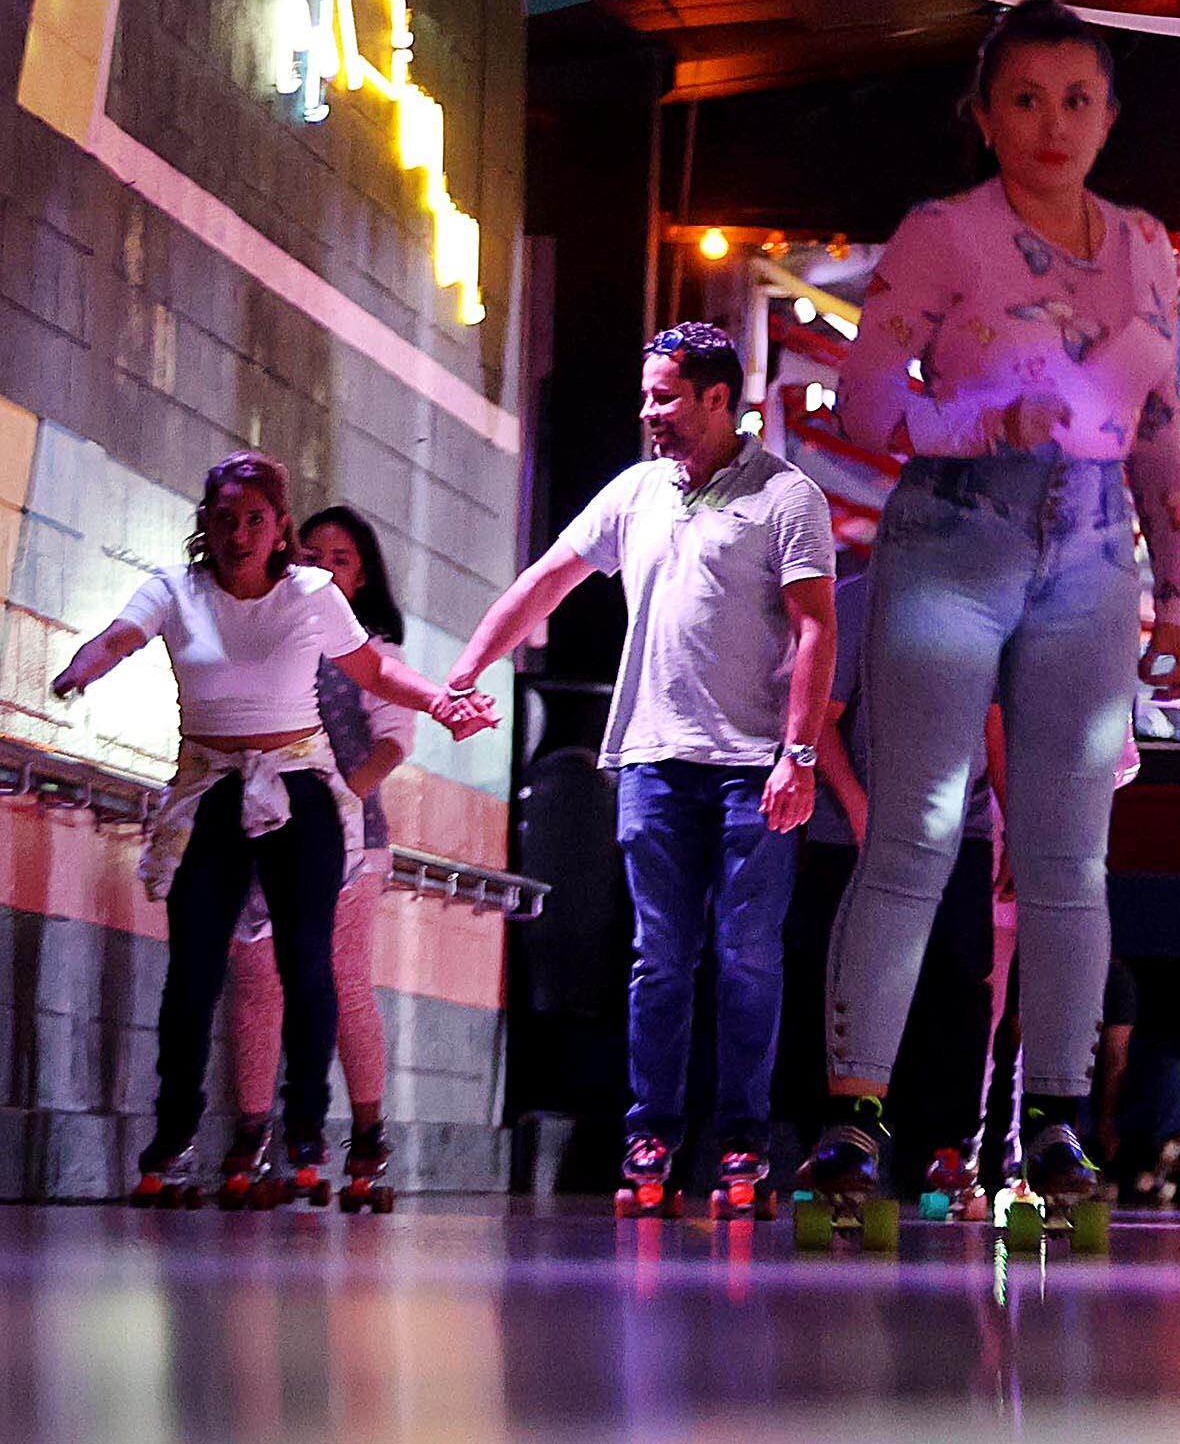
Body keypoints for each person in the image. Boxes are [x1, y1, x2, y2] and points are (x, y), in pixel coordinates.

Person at [807, 0, 1180, 1225]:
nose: (1051, 123)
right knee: (917, 834)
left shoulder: (1145, 243)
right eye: (1025, 98)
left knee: (1069, 860)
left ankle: (1058, 1128)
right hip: (951, 541)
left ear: (1109, 116)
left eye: (1076, 99)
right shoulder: (945, 234)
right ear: (982, 113)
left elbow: (1160, 424)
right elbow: (863, 402)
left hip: (1092, 561)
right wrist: (975, 420)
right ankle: (855, 1125)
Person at [447, 323, 838, 1214]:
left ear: (717, 399)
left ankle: (742, 1141)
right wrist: (469, 666)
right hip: (656, 759)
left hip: (753, 768)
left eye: (665, 395)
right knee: (659, 959)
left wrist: (799, 754)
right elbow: (548, 579)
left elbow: (817, 627)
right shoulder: (636, 491)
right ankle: (650, 1132)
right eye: (646, 393)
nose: (648, 412)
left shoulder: (786, 496)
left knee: (746, 958)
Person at [51, 453, 493, 1205]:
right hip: (212, 792)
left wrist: (445, 702)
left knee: (307, 965)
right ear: (206, 522)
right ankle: (175, 1134)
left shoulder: (312, 593)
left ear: (280, 526)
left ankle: (305, 1131)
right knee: (193, 972)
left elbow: (375, 672)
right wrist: (83, 665)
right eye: (224, 518)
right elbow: (121, 635)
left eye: (255, 518)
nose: (238, 533)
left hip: (298, 790)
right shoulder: (175, 589)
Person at [778, 557, 1003, 1211]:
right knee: (840, 979)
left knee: (956, 983)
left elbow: (992, 722)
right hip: (854, 832)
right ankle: (836, 1136)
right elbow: (821, 715)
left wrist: (1014, 825)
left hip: (957, 831)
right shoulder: (858, 599)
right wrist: (856, 805)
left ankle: (942, 1148)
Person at [220, 507, 413, 1208]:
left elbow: (394, 741)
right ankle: (251, 1132)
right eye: (312, 552)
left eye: (341, 557)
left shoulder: (373, 653)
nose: (324, 564)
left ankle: (366, 1134)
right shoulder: (264, 638)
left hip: (351, 840)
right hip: (263, 827)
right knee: (257, 976)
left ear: (360, 580)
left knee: (341, 976)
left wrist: (340, 800)